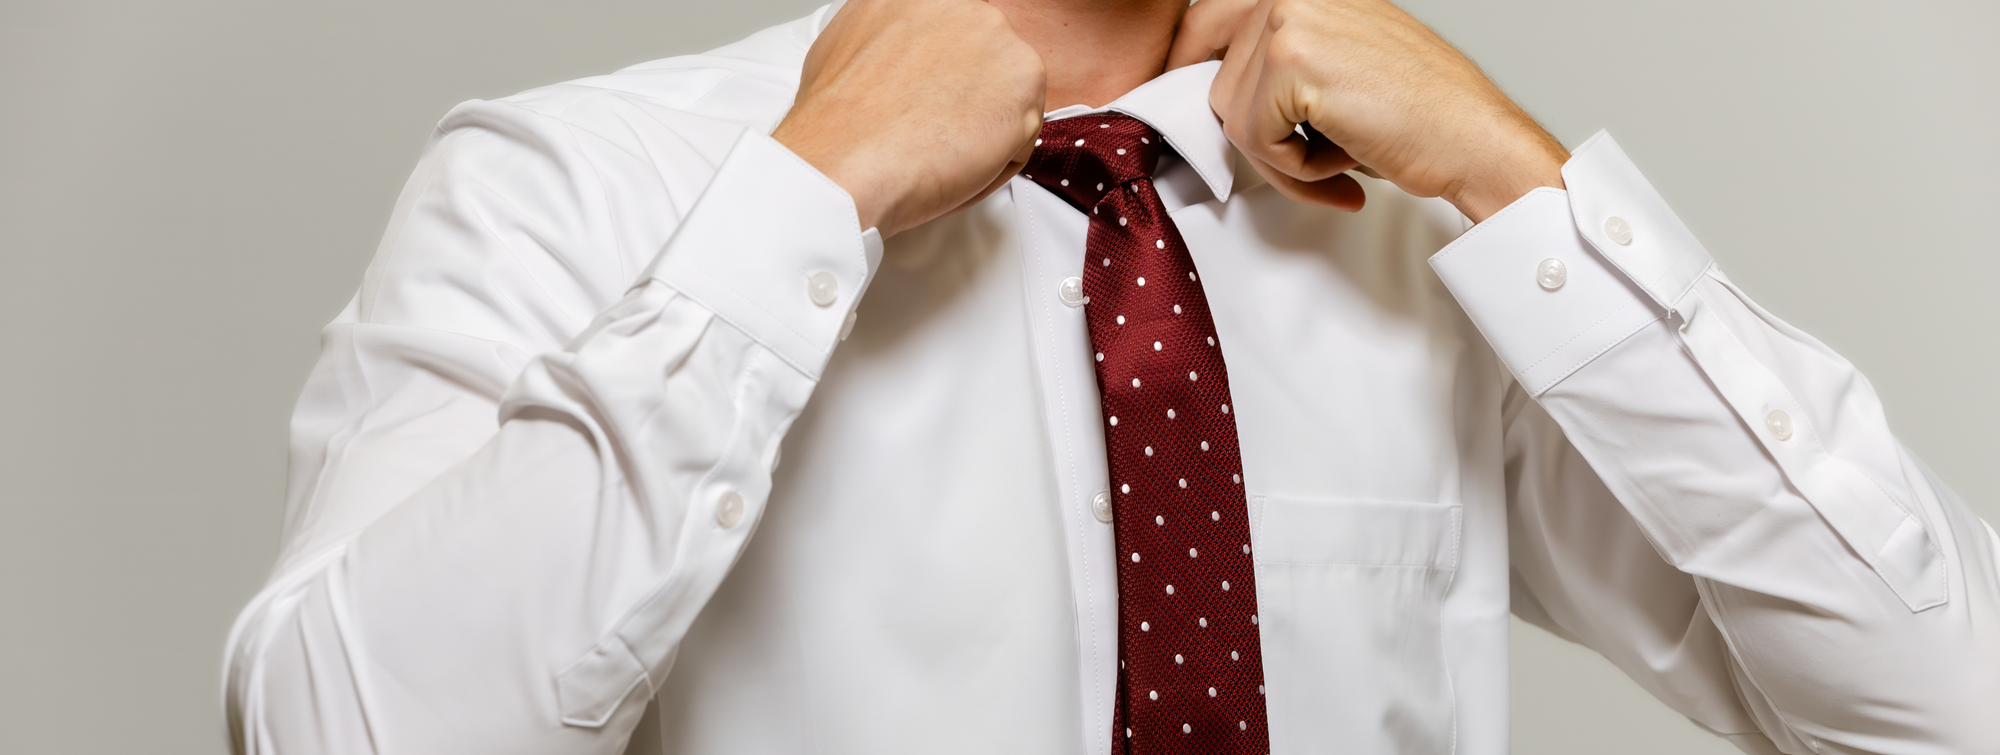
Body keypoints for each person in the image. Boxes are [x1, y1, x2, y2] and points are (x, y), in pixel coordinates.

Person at [221, 0, 2000, 752]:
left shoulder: (1410, 234)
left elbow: (1948, 701)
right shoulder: (591, 184)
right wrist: (800, 202)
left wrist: (1523, 185)